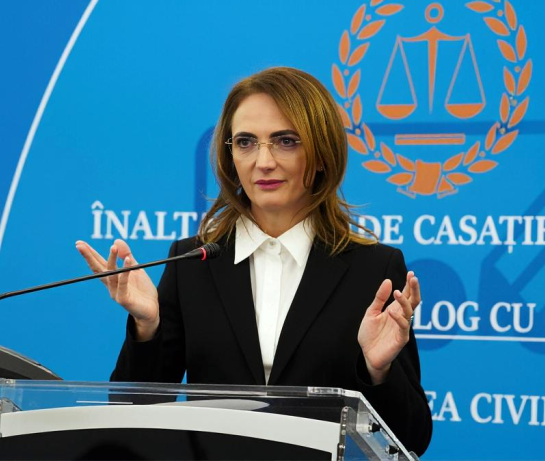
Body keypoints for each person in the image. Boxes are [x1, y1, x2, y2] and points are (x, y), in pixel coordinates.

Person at [76, 67, 432, 455]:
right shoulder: (192, 262)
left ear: (321, 155)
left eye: (285, 141)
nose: (263, 161)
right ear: (230, 156)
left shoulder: (374, 270)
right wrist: (148, 327)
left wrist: (378, 371)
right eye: (245, 142)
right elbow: (131, 416)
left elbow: (411, 439)